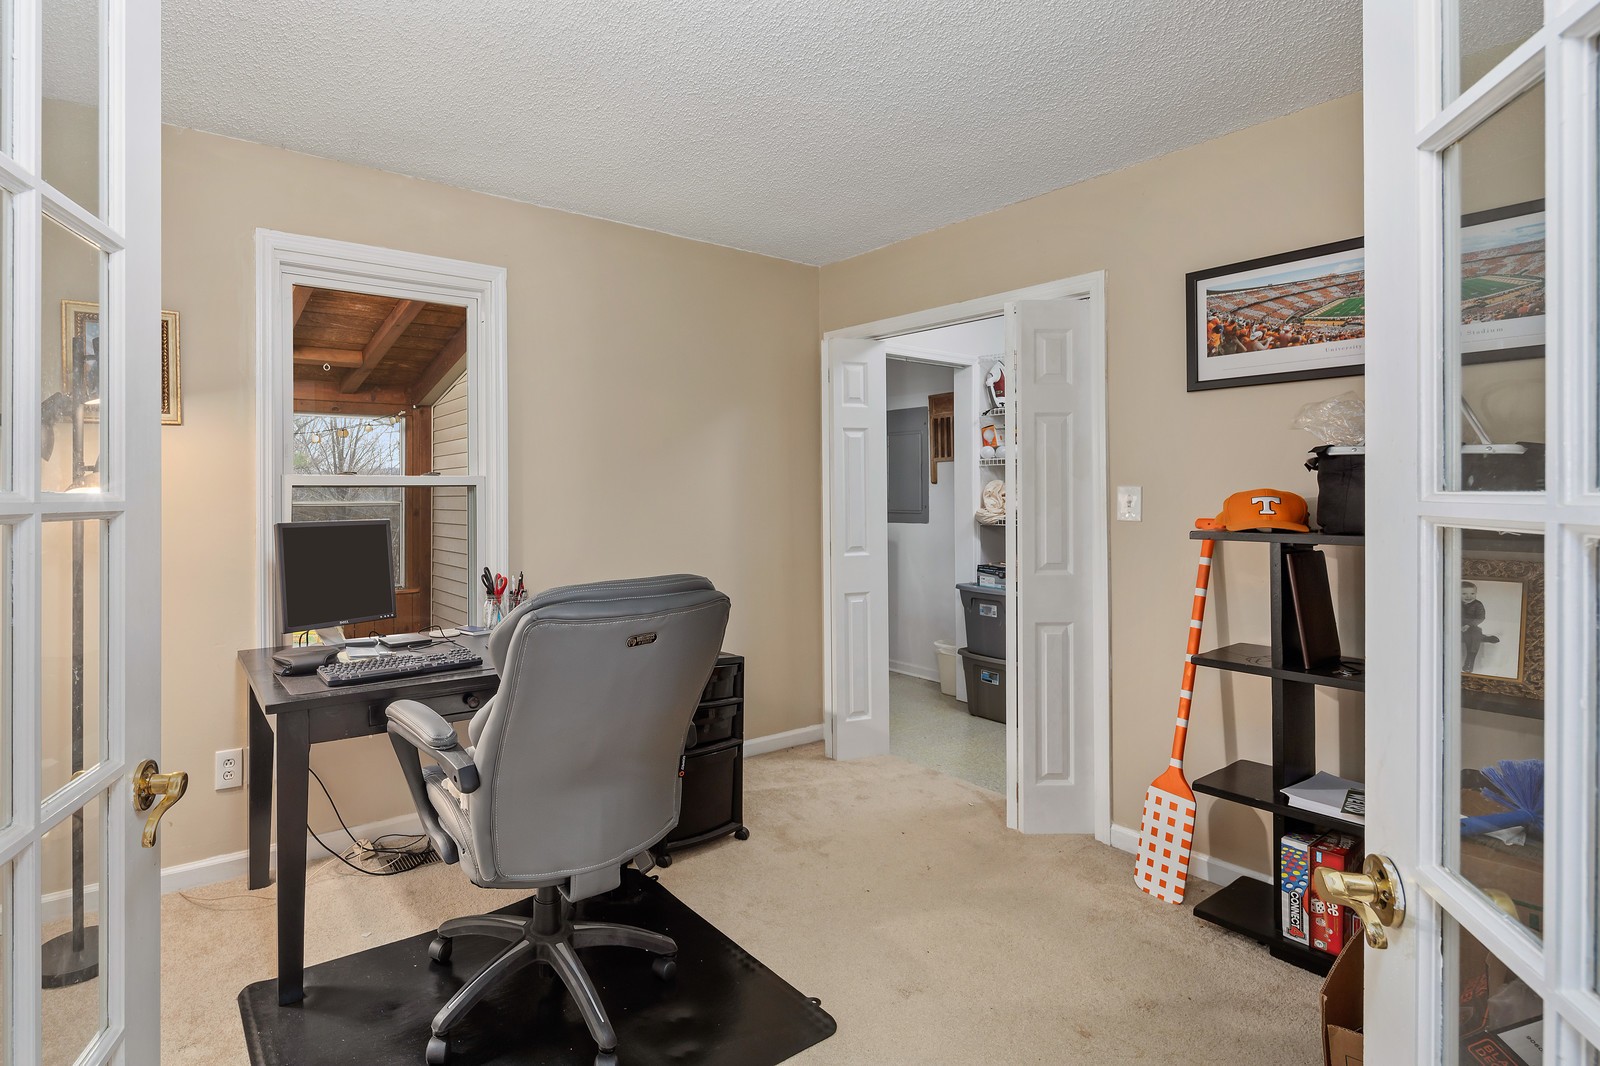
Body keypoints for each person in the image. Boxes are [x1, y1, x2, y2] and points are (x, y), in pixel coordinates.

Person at [1461, 581, 1498, 673]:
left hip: (1472, 627)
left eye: (1472, 593)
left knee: (1475, 635)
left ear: (1476, 593)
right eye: (1464, 593)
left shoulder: (1478, 604)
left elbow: (1480, 618)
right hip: (1457, 627)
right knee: (1465, 637)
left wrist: (1469, 625)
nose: (1468, 596)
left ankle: (1470, 661)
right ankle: (1484, 638)